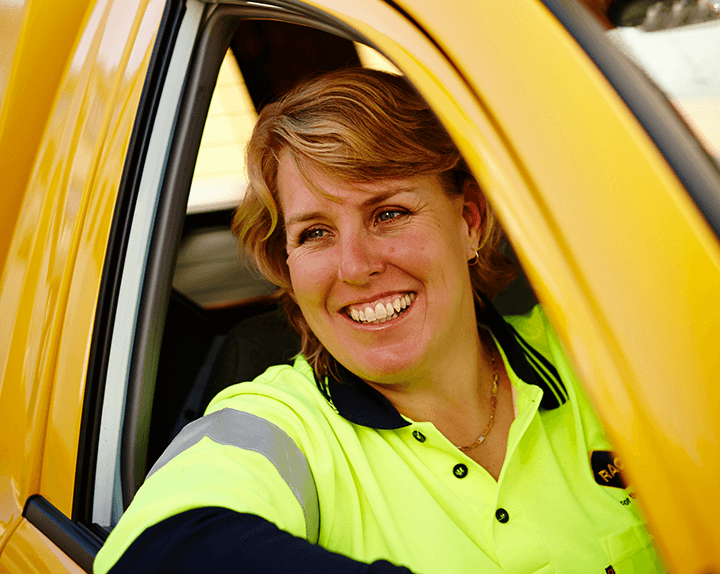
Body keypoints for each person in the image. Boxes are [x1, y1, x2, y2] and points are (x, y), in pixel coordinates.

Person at [94, 68, 664, 574]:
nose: (356, 266)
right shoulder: (278, 425)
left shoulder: (603, 355)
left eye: (388, 213)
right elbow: (156, 550)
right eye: (314, 232)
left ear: (469, 220)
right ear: (288, 266)